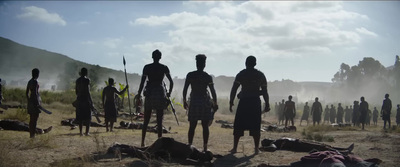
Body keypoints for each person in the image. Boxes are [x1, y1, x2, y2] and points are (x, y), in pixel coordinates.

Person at [229, 56, 270, 154]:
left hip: (244, 102)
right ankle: (256, 149)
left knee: (239, 125)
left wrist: (231, 101)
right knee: (255, 125)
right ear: (255, 64)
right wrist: (267, 104)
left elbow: (234, 89)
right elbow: (264, 91)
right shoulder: (260, 75)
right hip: (255, 102)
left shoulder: (242, 74)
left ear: (246, 63)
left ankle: (235, 148)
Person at [137, 49, 174, 147]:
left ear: (152, 57)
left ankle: (142, 142)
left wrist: (139, 93)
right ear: (160, 57)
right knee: (159, 119)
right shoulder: (164, 67)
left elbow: (142, 82)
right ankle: (159, 142)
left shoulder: (147, 67)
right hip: (160, 92)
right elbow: (171, 82)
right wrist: (169, 93)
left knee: (146, 119)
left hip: (150, 92)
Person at [182, 54, 218, 152]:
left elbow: (185, 89)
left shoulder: (190, 75)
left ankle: (190, 145)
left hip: (194, 101)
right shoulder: (207, 77)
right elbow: (213, 91)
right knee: (205, 125)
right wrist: (215, 103)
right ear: (204, 64)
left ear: (196, 64)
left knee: (192, 125)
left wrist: (184, 101)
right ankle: (205, 147)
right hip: (204, 101)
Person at [107, 137, 215, 162]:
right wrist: (199, 164)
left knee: (141, 149)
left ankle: (119, 145)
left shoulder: (193, 150)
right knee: (144, 154)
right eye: (204, 156)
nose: (202, 158)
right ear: (202, 152)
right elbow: (184, 161)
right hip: (163, 144)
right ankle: (117, 149)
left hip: (164, 144)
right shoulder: (190, 150)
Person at [260, 137, 354, 154]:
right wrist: (263, 148)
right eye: (265, 140)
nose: (267, 138)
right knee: (320, 148)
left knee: (322, 145)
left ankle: (344, 149)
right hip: (297, 145)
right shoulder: (274, 144)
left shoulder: (276, 140)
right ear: (267, 143)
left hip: (299, 142)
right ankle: (342, 153)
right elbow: (272, 149)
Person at [75, 67, 94, 136]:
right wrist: (91, 102)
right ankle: (87, 132)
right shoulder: (87, 80)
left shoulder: (77, 80)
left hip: (79, 99)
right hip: (86, 100)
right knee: (88, 117)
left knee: (80, 117)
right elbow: (88, 91)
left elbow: (76, 91)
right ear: (86, 72)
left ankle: (80, 132)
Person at [25, 68, 42, 138]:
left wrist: (29, 100)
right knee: (34, 119)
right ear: (37, 74)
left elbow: (26, 93)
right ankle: (33, 135)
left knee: (31, 119)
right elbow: (35, 93)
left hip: (31, 102)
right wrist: (36, 103)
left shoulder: (29, 81)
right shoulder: (35, 82)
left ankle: (31, 134)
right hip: (35, 102)